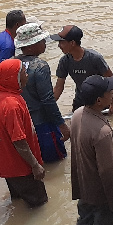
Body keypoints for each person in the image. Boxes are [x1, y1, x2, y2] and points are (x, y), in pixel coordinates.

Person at [70, 75, 113, 225]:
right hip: (102, 197)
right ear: (99, 100)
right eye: (108, 91)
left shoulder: (77, 114)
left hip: (83, 189)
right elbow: (108, 173)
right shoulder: (102, 132)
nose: (112, 93)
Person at [0, 58, 48, 207]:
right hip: (22, 169)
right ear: (15, 78)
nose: (27, 76)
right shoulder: (12, 105)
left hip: (10, 168)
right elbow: (19, 141)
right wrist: (35, 165)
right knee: (40, 207)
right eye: (24, 73)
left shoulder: (1, 97)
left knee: (18, 205)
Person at [15, 21, 70, 163]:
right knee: (56, 161)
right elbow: (48, 100)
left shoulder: (11, 64)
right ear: (32, 45)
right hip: (42, 123)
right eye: (42, 40)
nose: (45, 43)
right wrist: (62, 125)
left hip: (22, 123)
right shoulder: (40, 66)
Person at [52, 25, 113, 112]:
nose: (59, 45)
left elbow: (111, 80)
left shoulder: (95, 58)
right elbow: (58, 88)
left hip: (100, 103)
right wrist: (48, 108)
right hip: (81, 102)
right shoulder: (64, 61)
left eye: (61, 42)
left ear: (72, 43)